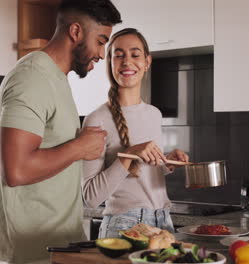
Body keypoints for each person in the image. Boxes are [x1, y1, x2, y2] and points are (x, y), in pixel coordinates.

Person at [0, 1, 121, 263]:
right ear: (76, 32)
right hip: (31, 253)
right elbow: (16, 171)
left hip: (57, 247)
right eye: (100, 40)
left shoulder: (56, 79)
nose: (102, 53)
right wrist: (79, 147)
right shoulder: (31, 78)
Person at [81, 28, 189, 238]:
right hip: (124, 227)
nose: (127, 61)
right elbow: (91, 197)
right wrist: (129, 153)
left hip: (163, 223)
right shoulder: (97, 119)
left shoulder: (154, 114)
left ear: (147, 62)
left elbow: (140, 176)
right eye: (118, 55)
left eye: (135, 54)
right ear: (110, 63)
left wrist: (166, 162)